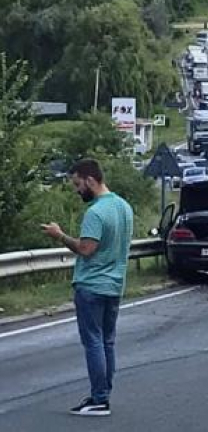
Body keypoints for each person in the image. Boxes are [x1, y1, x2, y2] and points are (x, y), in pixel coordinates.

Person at [41, 159, 133, 417]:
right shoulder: (123, 207)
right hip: (115, 284)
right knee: (107, 342)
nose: (76, 189)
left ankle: (99, 399)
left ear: (90, 180)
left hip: (92, 285)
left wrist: (59, 235)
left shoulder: (95, 213)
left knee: (93, 342)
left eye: (77, 183)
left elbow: (86, 249)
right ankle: (103, 393)